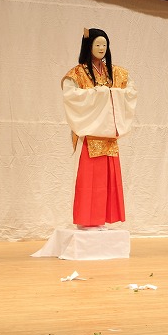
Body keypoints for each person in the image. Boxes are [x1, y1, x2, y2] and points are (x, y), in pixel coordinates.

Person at [62, 28, 138, 231]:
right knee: (90, 180)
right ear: (89, 46)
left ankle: (101, 219)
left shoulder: (117, 72)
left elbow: (130, 92)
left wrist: (111, 93)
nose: (101, 48)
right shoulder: (77, 73)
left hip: (109, 137)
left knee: (107, 180)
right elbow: (71, 96)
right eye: (97, 44)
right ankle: (87, 220)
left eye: (104, 45)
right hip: (92, 134)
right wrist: (97, 94)